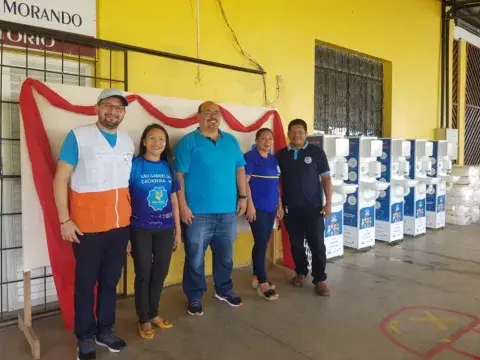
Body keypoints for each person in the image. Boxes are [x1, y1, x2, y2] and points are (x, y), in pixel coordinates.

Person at [53, 89, 133, 360]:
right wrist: (65, 219)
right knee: (86, 283)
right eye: (108, 106)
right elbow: (60, 178)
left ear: (124, 113)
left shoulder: (127, 142)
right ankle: (85, 336)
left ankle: (105, 330)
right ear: (97, 108)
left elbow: (124, 185)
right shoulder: (78, 137)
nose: (113, 112)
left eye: (119, 108)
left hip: (120, 225)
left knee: (110, 282)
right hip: (86, 227)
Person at [174, 101, 248, 316]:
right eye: (207, 113)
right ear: (198, 117)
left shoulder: (231, 141)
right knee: (195, 256)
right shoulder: (188, 142)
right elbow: (178, 176)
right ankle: (195, 295)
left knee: (225, 255)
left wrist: (243, 197)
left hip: (227, 212)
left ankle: (224, 289)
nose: (212, 116)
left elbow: (240, 170)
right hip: (197, 213)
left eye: (216, 113)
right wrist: (183, 206)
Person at [127, 124, 182, 339]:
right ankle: (143, 319)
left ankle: (154, 313)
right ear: (144, 142)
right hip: (140, 229)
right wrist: (125, 237)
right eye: (152, 138)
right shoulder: (135, 166)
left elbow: (175, 200)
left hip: (165, 229)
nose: (157, 143)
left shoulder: (168, 167)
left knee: (159, 273)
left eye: (161, 139)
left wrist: (178, 233)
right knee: (143, 275)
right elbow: (125, 200)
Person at [275, 118, 333, 296]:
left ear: (305, 133)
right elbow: (276, 182)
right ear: (288, 134)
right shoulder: (281, 155)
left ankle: (320, 279)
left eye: (300, 131)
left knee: (317, 245)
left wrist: (328, 202)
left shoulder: (316, 152)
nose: (297, 135)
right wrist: (278, 204)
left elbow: (326, 179)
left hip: (314, 208)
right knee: (296, 244)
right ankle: (301, 272)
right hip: (291, 209)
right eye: (293, 131)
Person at [244, 128, 283, 301]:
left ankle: (256, 275)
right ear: (257, 140)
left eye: (270, 139)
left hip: (271, 207)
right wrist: (249, 204)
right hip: (257, 207)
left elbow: (276, 184)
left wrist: (279, 205)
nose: (267, 142)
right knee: (260, 241)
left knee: (263, 241)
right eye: (263, 138)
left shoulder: (274, 159)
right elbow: (244, 182)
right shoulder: (250, 157)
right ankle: (263, 281)